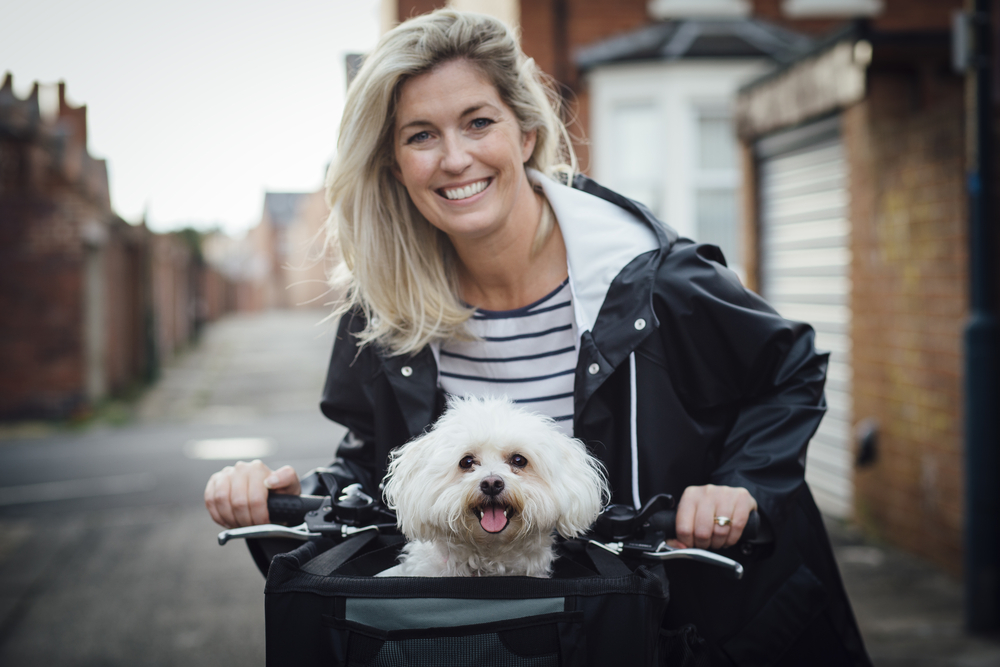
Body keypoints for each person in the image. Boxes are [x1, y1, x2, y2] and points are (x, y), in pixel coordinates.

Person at [204, 9, 871, 666]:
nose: (455, 157)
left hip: (706, 626)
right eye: (420, 135)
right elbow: (374, 467)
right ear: (394, 164)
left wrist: (742, 484)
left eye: (478, 122)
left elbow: (791, 370)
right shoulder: (384, 311)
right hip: (518, 638)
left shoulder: (656, 279)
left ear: (524, 132)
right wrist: (277, 494)